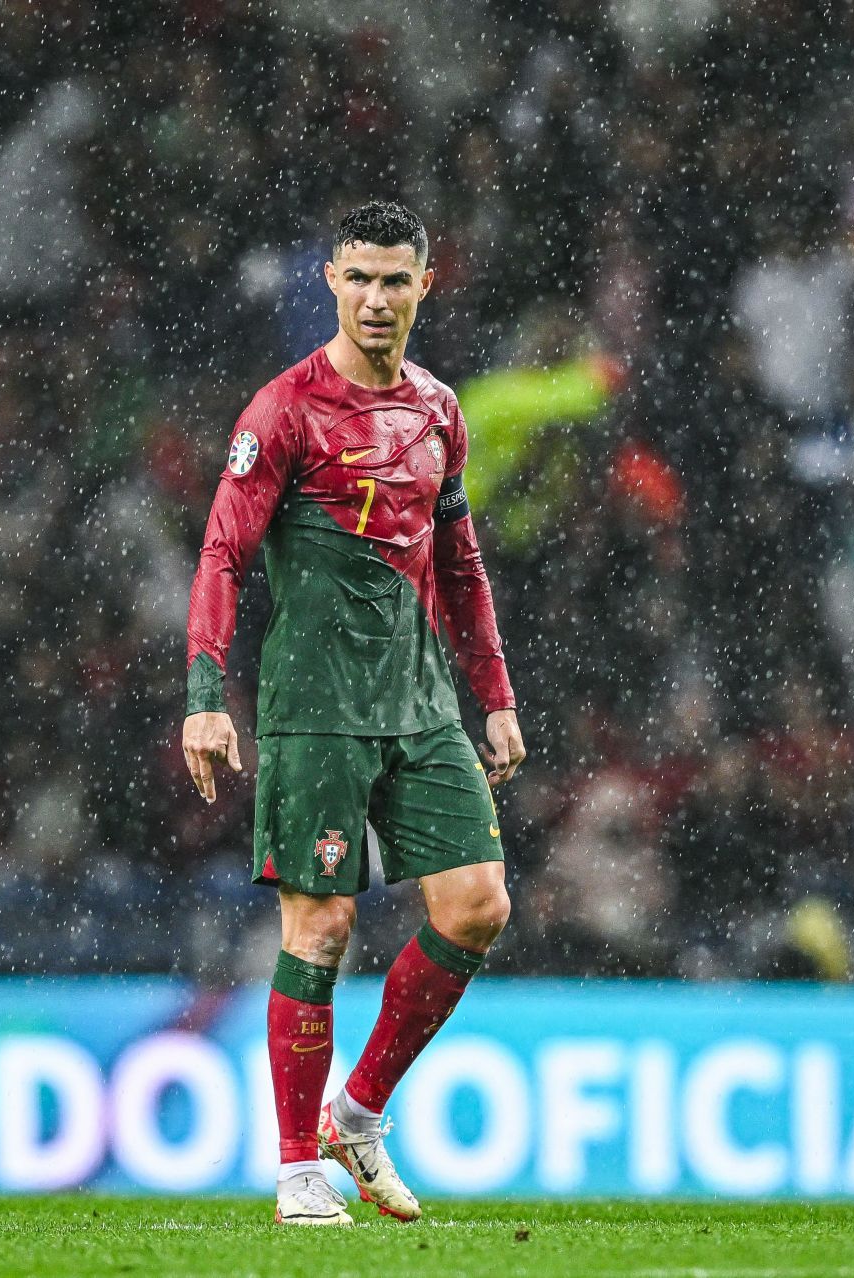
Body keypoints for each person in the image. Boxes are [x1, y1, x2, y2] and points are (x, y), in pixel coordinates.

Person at [182, 201, 525, 1225]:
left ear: (427, 285)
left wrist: (495, 699)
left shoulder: (440, 412)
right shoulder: (283, 411)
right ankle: (297, 1165)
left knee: (480, 905)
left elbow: (459, 564)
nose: (377, 299)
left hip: (421, 705)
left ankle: (360, 1111)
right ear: (331, 281)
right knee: (321, 925)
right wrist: (205, 698)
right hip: (315, 706)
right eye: (360, 278)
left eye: (396, 280)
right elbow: (222, 554)